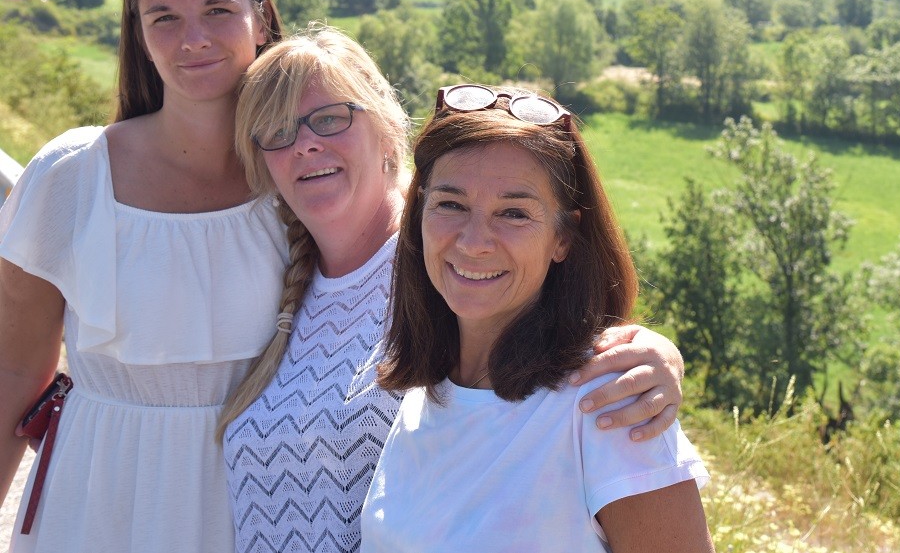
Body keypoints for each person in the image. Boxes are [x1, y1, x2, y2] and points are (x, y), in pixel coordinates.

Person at [220, 28, 687, 553]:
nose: (473, 242)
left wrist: (652, 355)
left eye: (330, 118)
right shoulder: (424, 377)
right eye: (276, 130)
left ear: (388, 126)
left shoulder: (601, 403)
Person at [0, 0, 287, 552]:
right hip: (100, 493)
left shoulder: (308, 177)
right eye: (164, 17)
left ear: (261, 20)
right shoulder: (73, 175)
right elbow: (16, 368)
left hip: (262, 500)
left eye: (218, 10)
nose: (195, 38)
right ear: (139, 34)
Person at [361, 85, 714, 552]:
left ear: (563, 238)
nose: (473, 241)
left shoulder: (609, 401)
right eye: (451, 204)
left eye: (513, 213)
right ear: (420, 214)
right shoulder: (426, 396)